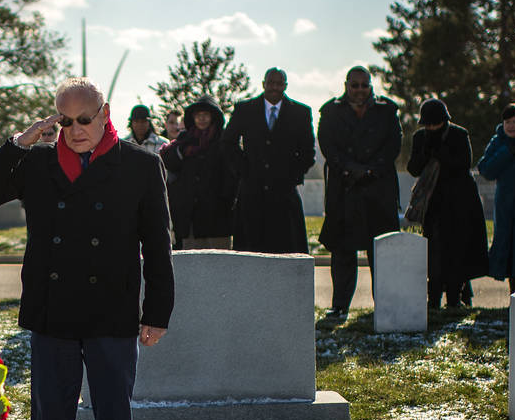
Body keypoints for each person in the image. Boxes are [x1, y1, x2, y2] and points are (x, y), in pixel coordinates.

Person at [0, 77, 174, 420]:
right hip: (52, 305)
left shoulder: (139, 164)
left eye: (85, 118)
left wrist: (157, 312)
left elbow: (158, 243)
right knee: (51, 414)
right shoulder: (37, 162)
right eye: (66, 120)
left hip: (112, 306)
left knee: (113, 411)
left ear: (104, 113)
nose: (76, 129)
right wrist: (20, 141)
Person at [317, 66, 402, 320]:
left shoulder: (387, 111)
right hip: (344, 190)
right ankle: (340, 305)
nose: (360, 90)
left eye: (364, 85)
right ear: (346, 85)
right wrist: (351, 169)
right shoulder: (330, 111)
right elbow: (327, 145)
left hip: (378, 188)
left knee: (381, 252)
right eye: (355, 85)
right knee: (342, 252)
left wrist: (369, 171)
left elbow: (393, 146)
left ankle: (386, 305)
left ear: (370, 86)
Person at [406, 98, 489, 308]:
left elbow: (463, 164)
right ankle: (433, 299)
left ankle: (455, 297)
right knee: (433, 252)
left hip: (458, 201)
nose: (431, 128)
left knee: (457, 249)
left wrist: (440, 151)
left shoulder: (459, 135)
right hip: (432, 203)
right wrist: (426, 151)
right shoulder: (420, 137)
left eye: (435, 123)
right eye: (428, 124)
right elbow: (413, 168)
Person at [222, 67, 316, 253]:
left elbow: (307, 152)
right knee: (250, 253)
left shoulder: (300, 113)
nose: (274, 87)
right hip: (252, 192)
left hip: (284, 194)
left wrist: (292, 175)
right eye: (270, 83)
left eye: (279, 83)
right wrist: (244, 170)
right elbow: (227, 143)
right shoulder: (245, 109)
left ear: (285, 86)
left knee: (286, 251)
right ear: (263, 84)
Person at [160, 95, 236, 249]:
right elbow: (167, 161)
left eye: (206, 115)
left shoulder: (224, 141)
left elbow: (232, 176)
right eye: (198, 115)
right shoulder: (185, 139)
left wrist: (224, 200)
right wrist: (182, 150)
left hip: (217, 217)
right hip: (190, 220)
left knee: (220, 264)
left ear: (213, 117)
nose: (202, 119)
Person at [478, 103, 515, 293]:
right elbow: (486, 169)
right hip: (504, 206)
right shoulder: (499, 141)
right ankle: (514, 296)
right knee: (509, 251)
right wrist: (507, 152)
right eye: (507, 122)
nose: (511, 126)